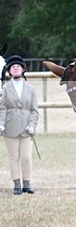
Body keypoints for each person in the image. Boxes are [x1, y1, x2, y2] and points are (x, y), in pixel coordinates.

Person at [0, 55, 39, 194]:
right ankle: (16, 183)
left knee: (26, 157)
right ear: (10, 71)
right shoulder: (5, 88)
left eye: (18, 66)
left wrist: (32, 124)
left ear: (23, 69)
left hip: (26, 128)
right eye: (12, 67)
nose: (15, 68)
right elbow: (2, 107)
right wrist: (1, 123)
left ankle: (27, 183)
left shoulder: (31, 89)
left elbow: (35, 110)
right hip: (10, 126)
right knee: (14, 156)